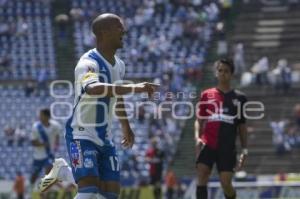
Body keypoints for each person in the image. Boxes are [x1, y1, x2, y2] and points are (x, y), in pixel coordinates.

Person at [38, 13, 158, 199]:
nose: (123, 30)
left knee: (109, 195)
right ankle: (65, 172)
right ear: (103, 33)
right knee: (88, 191)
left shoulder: (119, 65)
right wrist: (135, 88)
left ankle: (64, 172)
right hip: (81, 134)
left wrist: (126, 126)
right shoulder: (88, 63)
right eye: (118, 26)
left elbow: (117, 96)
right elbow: (93, 89)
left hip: (105, 137)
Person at [195, 59, 248, 199]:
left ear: (231, 74)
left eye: (226, 71)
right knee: (202, 173)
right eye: (220, 70)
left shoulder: (240, 98)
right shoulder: (206, 94)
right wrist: (197, 137)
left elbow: (242, 126)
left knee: (226, 183)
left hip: (227, 147)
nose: (223, 73)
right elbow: (199, 120)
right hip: (209, 143)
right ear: (216, 73)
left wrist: (244, 150)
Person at [30, 108, 61, 189]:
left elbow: (57, 137)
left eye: (41, 115)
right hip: (38, 156)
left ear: (46, 116)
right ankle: (30, 188)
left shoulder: (55, 126)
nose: (39, 116)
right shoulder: (36, 126)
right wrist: (42, 144)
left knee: (49, 169)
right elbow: (33, 142)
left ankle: (45, 189)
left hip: (49, 154)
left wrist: (56, 147)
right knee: (34, 175)